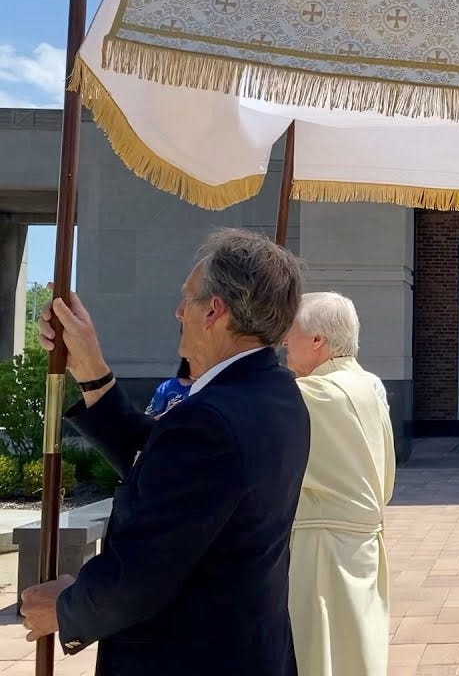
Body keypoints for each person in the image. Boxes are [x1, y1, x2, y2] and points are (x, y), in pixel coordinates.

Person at [20, 228, 308, 675]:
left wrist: (65, 607)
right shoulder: (276, 393)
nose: (178, 311)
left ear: (214, 311)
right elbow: (162, 469)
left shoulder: (211, 419)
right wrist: (93, 370)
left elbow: (141, 573)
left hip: (189, 657)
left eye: (187, 298)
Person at [279, 292, 395, 676]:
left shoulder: (317, 393)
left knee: (320, 653)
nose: (283, 341)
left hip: (322, 546)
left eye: (290, 330)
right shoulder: (368, 383)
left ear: (318, 340)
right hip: (360, 542)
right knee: (356, 649)